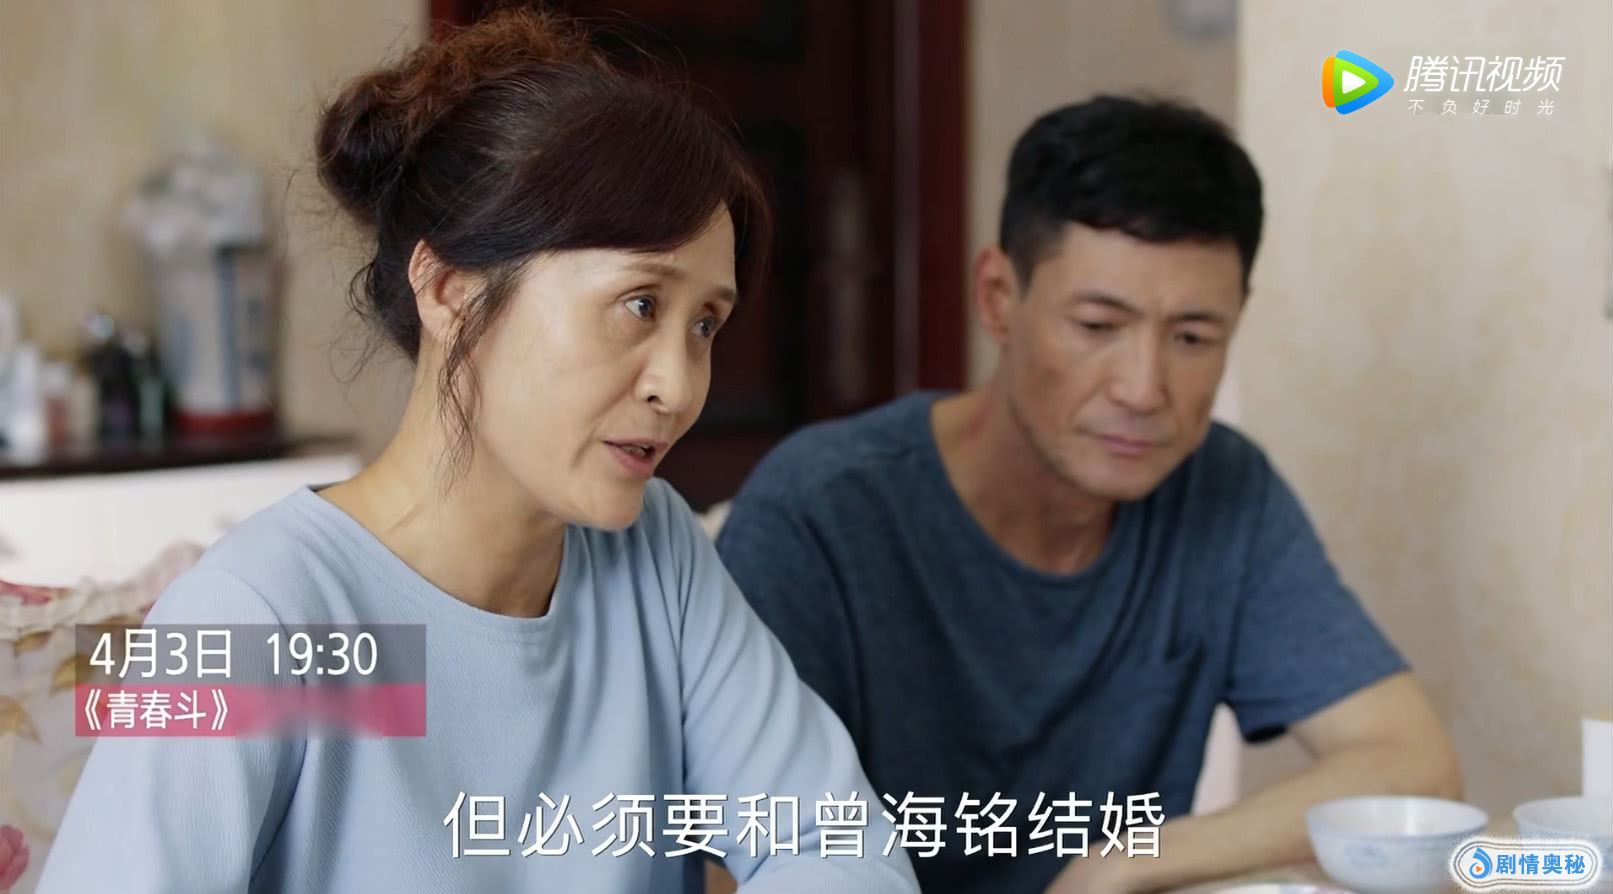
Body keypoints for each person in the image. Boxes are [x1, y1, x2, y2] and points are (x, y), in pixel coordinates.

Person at [39, 11, 917, 893]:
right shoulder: (261, 620)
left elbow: (839, 847)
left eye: (705, 324)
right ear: (450, 289)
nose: (678, 387)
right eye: (640, 305)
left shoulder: (655, 558)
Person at [715, 96, 1463, 894]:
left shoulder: (1221, 489)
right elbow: (728, 862)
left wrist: (1121, 862)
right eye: (1098, 326)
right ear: (998, 297)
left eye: (1191, 338)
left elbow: (1410, 766)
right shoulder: (822, 511)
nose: (1143, 390)